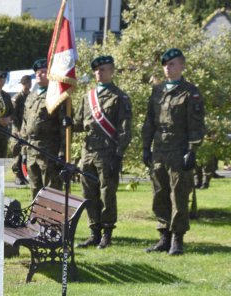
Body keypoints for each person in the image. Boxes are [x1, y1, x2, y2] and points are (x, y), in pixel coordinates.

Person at [142, 48, 205, 255]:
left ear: (182, 66)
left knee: (179, 193)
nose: (168, 68)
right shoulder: (157, 90)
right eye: (165, 65)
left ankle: (177, 238)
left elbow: (195, 125)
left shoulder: (190, 92)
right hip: (159, 149)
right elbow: (149, 122)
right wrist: (145, 147)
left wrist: (192, 150)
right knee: (159, 192)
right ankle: (163, 236)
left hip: (179, 149)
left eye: (172, 64)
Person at [73, 55, 132, 249]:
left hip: (108, 153)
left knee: (107, 194)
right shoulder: (87, 97)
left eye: (104, 69)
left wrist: (119, 153)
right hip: (88, 152)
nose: (99, 73)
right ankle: (94, 231)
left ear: (112, 71)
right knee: (88, 193)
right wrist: (68, 121)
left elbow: (125, 129)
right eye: (97, 70)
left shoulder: (119, 97)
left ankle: (107, 232)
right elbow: (80, 124)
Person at [21, 58, 65, 199]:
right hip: (31, 148)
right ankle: (37, 220)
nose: (39, 75)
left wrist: (62, 153)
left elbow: (64, 127)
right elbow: (25, 123)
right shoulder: (31, 97)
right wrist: (23, 150)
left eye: (43, 72)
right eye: (37, 72)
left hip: (49, 150)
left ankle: (52, 221)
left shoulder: (57, 97)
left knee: (51, 190)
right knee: (35, 188)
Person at [10, 75, 32, 185]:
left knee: (26, 153)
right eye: (27, 82)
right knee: (17, 153)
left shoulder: (32, 96)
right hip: (18, 130)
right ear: (23, 83)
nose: (30, 84)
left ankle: (26, 175)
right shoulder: (17, 98)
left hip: (27, 129)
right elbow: (13, 116)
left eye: (30, 82)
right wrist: (17, 130)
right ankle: (18, 176)